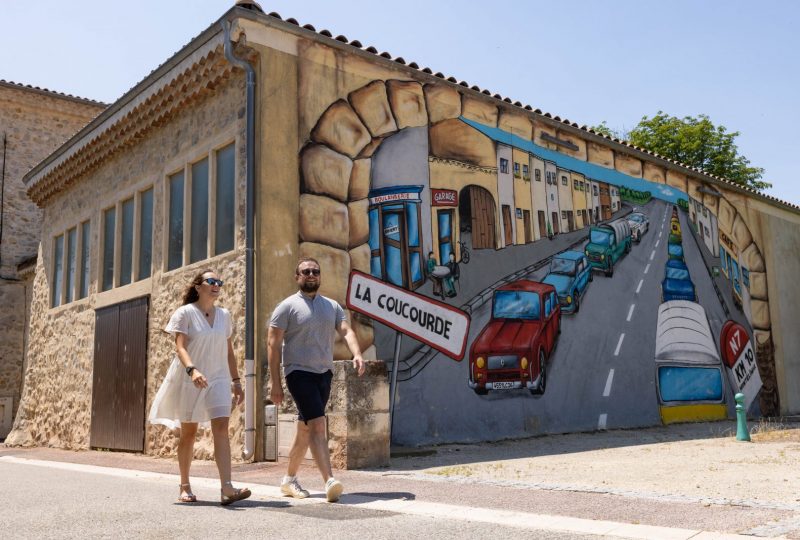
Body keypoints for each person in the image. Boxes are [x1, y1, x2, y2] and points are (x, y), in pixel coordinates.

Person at [149, 269, 251, 506]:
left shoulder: (224, 316)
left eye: (219, 282)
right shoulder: (185, 313)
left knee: (221, 427)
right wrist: (192, 370)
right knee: (189, 432)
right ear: (198, 286)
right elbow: (180, 347)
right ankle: (184, 485)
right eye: (211, 281)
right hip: (190, 378)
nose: (216, 285)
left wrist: (236, 381)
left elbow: (228, 351)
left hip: (218, 378)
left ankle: (227, 487)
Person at [267, 257, 365, 503]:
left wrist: (357, 353)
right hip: (298, 373)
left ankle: (289, 480)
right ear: (297, 277)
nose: (311, 275)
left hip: (324, 373)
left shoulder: (331, 306)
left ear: (320, 276)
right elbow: (273, 344)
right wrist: (275, 382)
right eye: (306, 271)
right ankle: (329, 480)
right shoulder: (286, 307)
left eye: (315, 271)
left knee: (305, 429)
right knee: (318, 424)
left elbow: (346, 330)